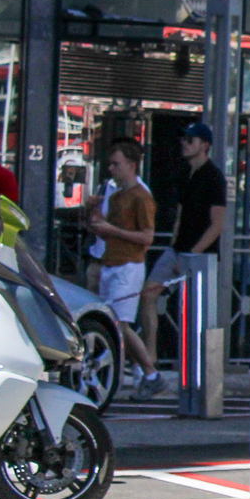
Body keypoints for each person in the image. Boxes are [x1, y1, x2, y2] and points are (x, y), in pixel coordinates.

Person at [142, 120, 227, 375]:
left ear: (204, 145)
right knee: (148, 294)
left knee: (195, 312)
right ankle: (150, 356)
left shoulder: (214, 177)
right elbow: (181, 211)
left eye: (190, 140)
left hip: (200, 256)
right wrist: (175, 244)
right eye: (184, 140)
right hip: (179, 248)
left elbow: (217, 224)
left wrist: (194, 253)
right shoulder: (184, 173)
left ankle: (196, 366)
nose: (184, 144)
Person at [86, 138, 163, 397]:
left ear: (131, 165)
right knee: (115, 323)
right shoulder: (117, 196)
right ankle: (141, 371)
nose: (111, 169)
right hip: (111, 262)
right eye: (111, 164)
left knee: (121, 324)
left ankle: (149, 372)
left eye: (116, 165)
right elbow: (105, 230)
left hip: (129, 266)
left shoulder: (142, 198)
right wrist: (94, 217)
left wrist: (111, 230)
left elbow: (147, 238)